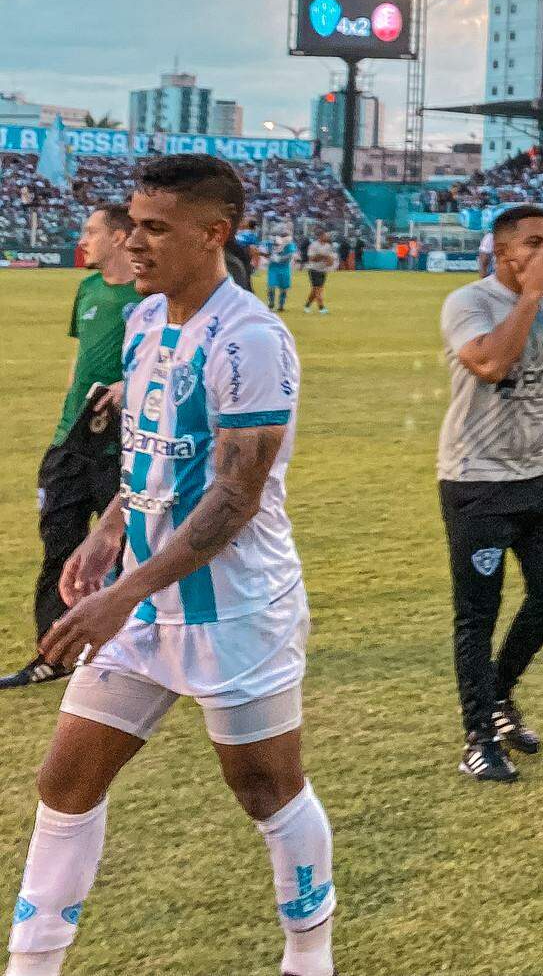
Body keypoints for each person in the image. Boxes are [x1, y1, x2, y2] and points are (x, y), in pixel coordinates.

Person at [5, 156, 334, 976]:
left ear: (214, 232)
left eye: (155, 227)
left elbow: (233, 498)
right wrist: (109, 529)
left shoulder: (251, 336)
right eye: (132, 222)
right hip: (147, 609)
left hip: (236, 611)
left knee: (266, 789)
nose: (133, 240)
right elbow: (153, 458)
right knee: (66, 781)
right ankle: (31, 964)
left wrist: (122, 593)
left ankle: (309, 956)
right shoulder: (148, 320)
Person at [436, 204, 543, 782]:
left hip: (542, 475)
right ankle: (478, 737)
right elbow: (489, 362)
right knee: (476, 615)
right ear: (506, 252)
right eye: (536, 241)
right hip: (476, 481)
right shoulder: (468, 303)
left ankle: (500, 695)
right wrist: (532, 298)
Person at [1, 207, 144, 693]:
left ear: (120, 237)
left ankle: (127, 652)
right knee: (57, 547)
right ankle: (52, 655)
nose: (84, 239)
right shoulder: (87, 289)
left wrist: (130, 385)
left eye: (92, 231)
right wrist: (65, 426)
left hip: (119, 444)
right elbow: (79, 362)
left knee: (125, 553)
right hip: (70, 442)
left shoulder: (147, 297)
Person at [302, 231, 339, 315]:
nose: (327, 237)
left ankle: (307, 306)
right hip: (314, 269)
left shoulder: (328, 246)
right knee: (317, 290)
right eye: (325, 236)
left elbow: (330, 258)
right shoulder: (313, 245)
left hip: (323, 270)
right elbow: (311, 258)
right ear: (320, 236)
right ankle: (321, 308)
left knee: (316, 290)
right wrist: (322, 256)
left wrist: (330, 262)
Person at [264, 231, 297, 313]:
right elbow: (267, 252)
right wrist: (270, 255)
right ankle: (271, 304)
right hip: (273, 268)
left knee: (284, 288)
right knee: (271, 286)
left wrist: (279, 259)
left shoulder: (290, 245)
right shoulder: (271, 243)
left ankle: (281, 306)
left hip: (284, 268)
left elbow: (290, 256)